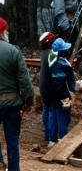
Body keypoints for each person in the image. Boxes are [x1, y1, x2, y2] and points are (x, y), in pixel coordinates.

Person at [0, 17, 34, 171]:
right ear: (2, 32)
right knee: (12, 140)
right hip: (12, 104)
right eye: (6, 30)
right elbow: (24, 81)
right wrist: (28, 102)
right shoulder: (13, 51)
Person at [46, 37, 76, 147]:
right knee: (63, 117)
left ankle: (52, 140)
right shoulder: (62, 64)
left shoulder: (52, 60)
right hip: (62, 94)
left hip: (52, 94)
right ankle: (62, 141)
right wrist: (67, 97)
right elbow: (60, 83)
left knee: (53, 116)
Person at [38, 31, 57, 143]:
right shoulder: (52, 54)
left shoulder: (44, 53)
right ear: (49, 42)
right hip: (49, 85)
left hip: (43, 85)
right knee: (51, 110)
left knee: (46, 108)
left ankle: (46, 133)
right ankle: (51, 136)